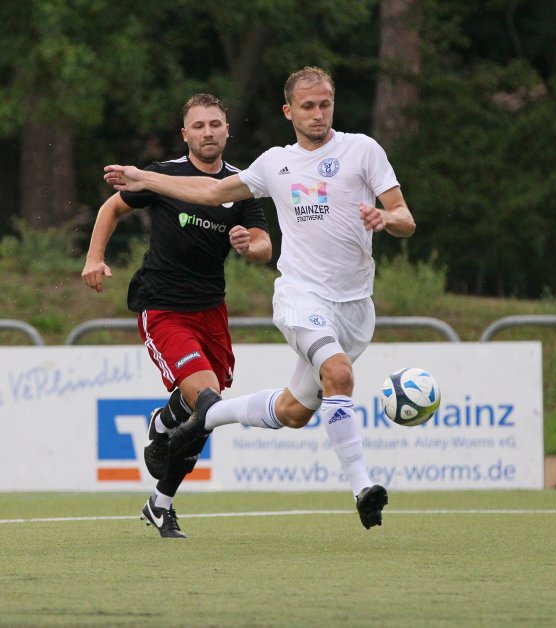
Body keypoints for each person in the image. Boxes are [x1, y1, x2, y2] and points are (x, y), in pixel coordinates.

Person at [104, 67, 416, 530]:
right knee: (338, 372)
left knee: (292, 413)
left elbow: (405, 218)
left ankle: (206, 420)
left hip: (355, 308)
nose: (318, 113)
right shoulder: (274, 163)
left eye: (325, 103)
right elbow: (210, 191)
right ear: (289, 111)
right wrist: (144, 178)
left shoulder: (363, 150)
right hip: (301, 296)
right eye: (308, 106)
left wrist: (386, 221)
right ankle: (363, 488)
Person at [82, 93, 272, 538]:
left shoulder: (241, 185)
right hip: (163, 307)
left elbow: (265, 244)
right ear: (185, 134)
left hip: (212, 311)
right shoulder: (165, 175)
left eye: (215, 124)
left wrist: (251, 245)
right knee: (207, 401)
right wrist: (94, 257)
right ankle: (168, 421)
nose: (208, 132)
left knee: (209, 412)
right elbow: (113, 206)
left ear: (228, 130)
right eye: (199, 126)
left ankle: (160, 500)